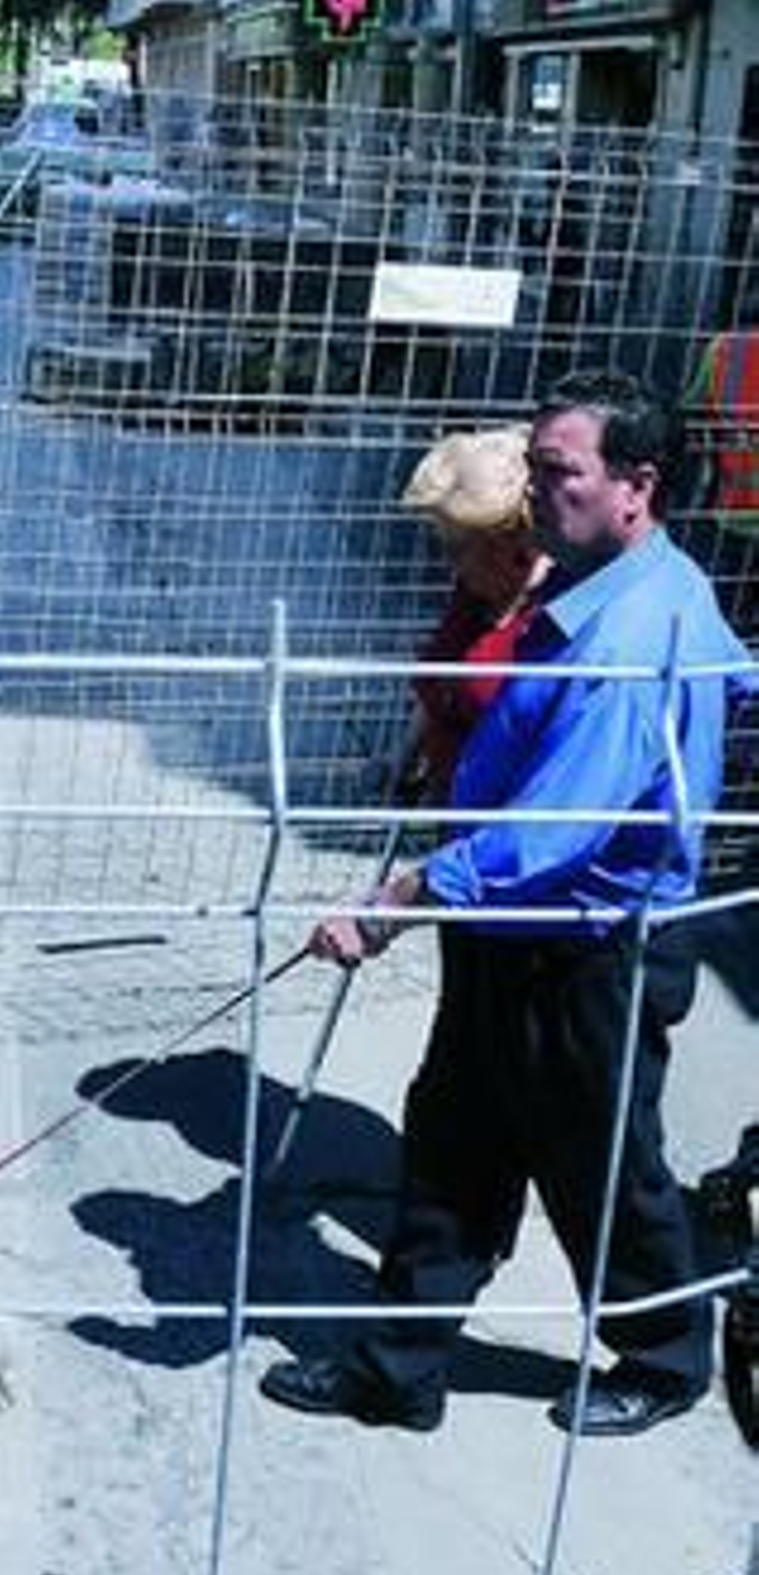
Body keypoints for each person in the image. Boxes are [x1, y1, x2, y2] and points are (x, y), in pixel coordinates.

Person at [260, 371, 749, 1438]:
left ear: (636, 485)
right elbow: (732, 674)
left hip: (587, 951)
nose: (535, 495)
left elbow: (556, 829)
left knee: (602, 1169)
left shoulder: (629, 633)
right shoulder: (627, 590)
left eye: (558, 472)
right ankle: (397, 1367)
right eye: (531, 469)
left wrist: (398, 899)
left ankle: (665, 1358)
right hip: (509, 935)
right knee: (448, 1143)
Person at [395, 424, 549, 798]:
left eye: (459, 547)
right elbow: (440, 678)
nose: (450, 562)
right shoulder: (475, 593)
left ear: (514, 541)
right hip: (454, 813)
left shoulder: (554, 618)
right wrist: (405, 755)